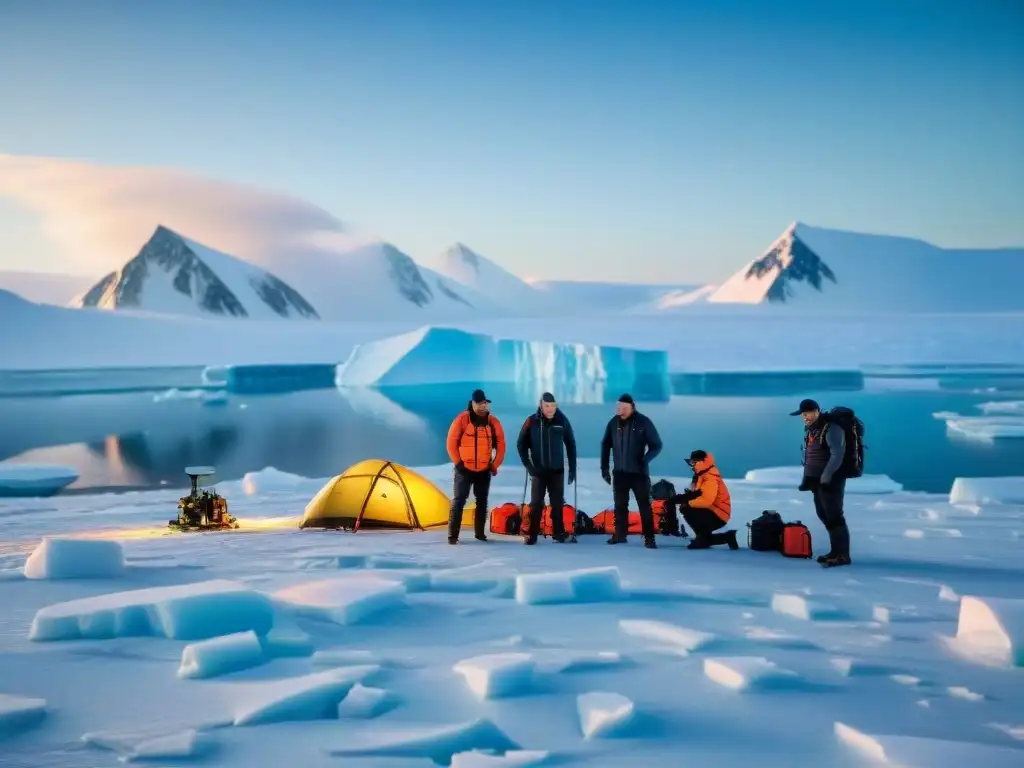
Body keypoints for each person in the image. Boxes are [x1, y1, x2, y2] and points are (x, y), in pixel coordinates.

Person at [792, 398, 851, 567]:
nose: (805, 417)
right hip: (817, 481)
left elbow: (837, 454)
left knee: (834, 517)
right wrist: (807, 480)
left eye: (808, 413)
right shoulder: (812, 430)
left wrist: (826, 476)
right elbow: (811, 457)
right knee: (824, 515)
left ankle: (842, 555)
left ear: (817, 411)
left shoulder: (831, 429)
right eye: (803, 414)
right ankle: (835, 552)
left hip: (831, 480)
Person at [600, 393, 663, 548]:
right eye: (619, 407)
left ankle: (649, 538)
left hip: (638, 473)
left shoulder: (643, 422)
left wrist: (645, 460)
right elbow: (605, 445)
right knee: (620, 505)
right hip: (620, 473)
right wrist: (605, 469)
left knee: (644, 506)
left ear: (632, 407)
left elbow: (657, 445)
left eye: (624, 407)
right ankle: (620, 535)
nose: (621, 410)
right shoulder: (613, 423)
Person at [446, 388, 506, 545]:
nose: (482, 406)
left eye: (484, 403)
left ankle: (480, 534)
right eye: (479, 403)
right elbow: (451, 443)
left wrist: (494, 465)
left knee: (482, 501)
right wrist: (458, 463)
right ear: (472, 404)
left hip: (484, 469)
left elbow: (501, 445)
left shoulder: (493, 422)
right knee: (459, 501)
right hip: (464, 469)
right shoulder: (462, 420)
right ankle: (453, 536)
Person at [516, 392, 578, 545]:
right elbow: (521, 445)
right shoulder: (531, 421)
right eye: (547, 406)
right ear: (541, 405)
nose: (550, 409)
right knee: (536, 504)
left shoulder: (562, 420)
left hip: (557, 471)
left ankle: (559, 533)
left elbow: (570, 444)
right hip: (538, 471)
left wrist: (572, 469)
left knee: (557, 503)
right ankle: (532, 534)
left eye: (553, 406)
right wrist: (529, 466)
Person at [674, 450, 738, 550]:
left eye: (693, 462)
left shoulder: (710, 477)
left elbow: (707, 500)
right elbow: (698, 494)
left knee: (687, 508)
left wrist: (688, 503)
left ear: (701, 462)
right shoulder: (701, 475)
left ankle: (702, 538)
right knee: (686, 507)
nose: (691, 465)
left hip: (718, 514)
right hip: (712, 511)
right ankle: (725, 537)